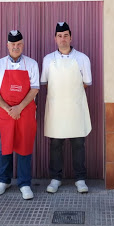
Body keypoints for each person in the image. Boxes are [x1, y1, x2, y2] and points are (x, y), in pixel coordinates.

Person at [0, 30, 39, 200]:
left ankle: (24, 183)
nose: (16, 48)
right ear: (7, 46)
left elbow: (35, 88)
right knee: (6, 148)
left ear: (23, 45)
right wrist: (9, 109)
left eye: (19, 45)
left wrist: (19, 108)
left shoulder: (31, 64)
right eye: (13, 45)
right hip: (5, 114)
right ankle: (4, 181)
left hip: (26, 113)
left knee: (24, 148)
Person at [41, 21, 92, 194]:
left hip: (75, 108)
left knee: (79, 144)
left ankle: (80, 179)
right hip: (56, 109)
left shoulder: (82, 59)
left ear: (71, 37)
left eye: (66, 36)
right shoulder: (48, 60)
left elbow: (86, 83)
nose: (63, 39)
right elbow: (45, 83)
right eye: (60, 36)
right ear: (55, 38)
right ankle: (55, 178)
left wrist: (71, 96)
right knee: (55, 144)